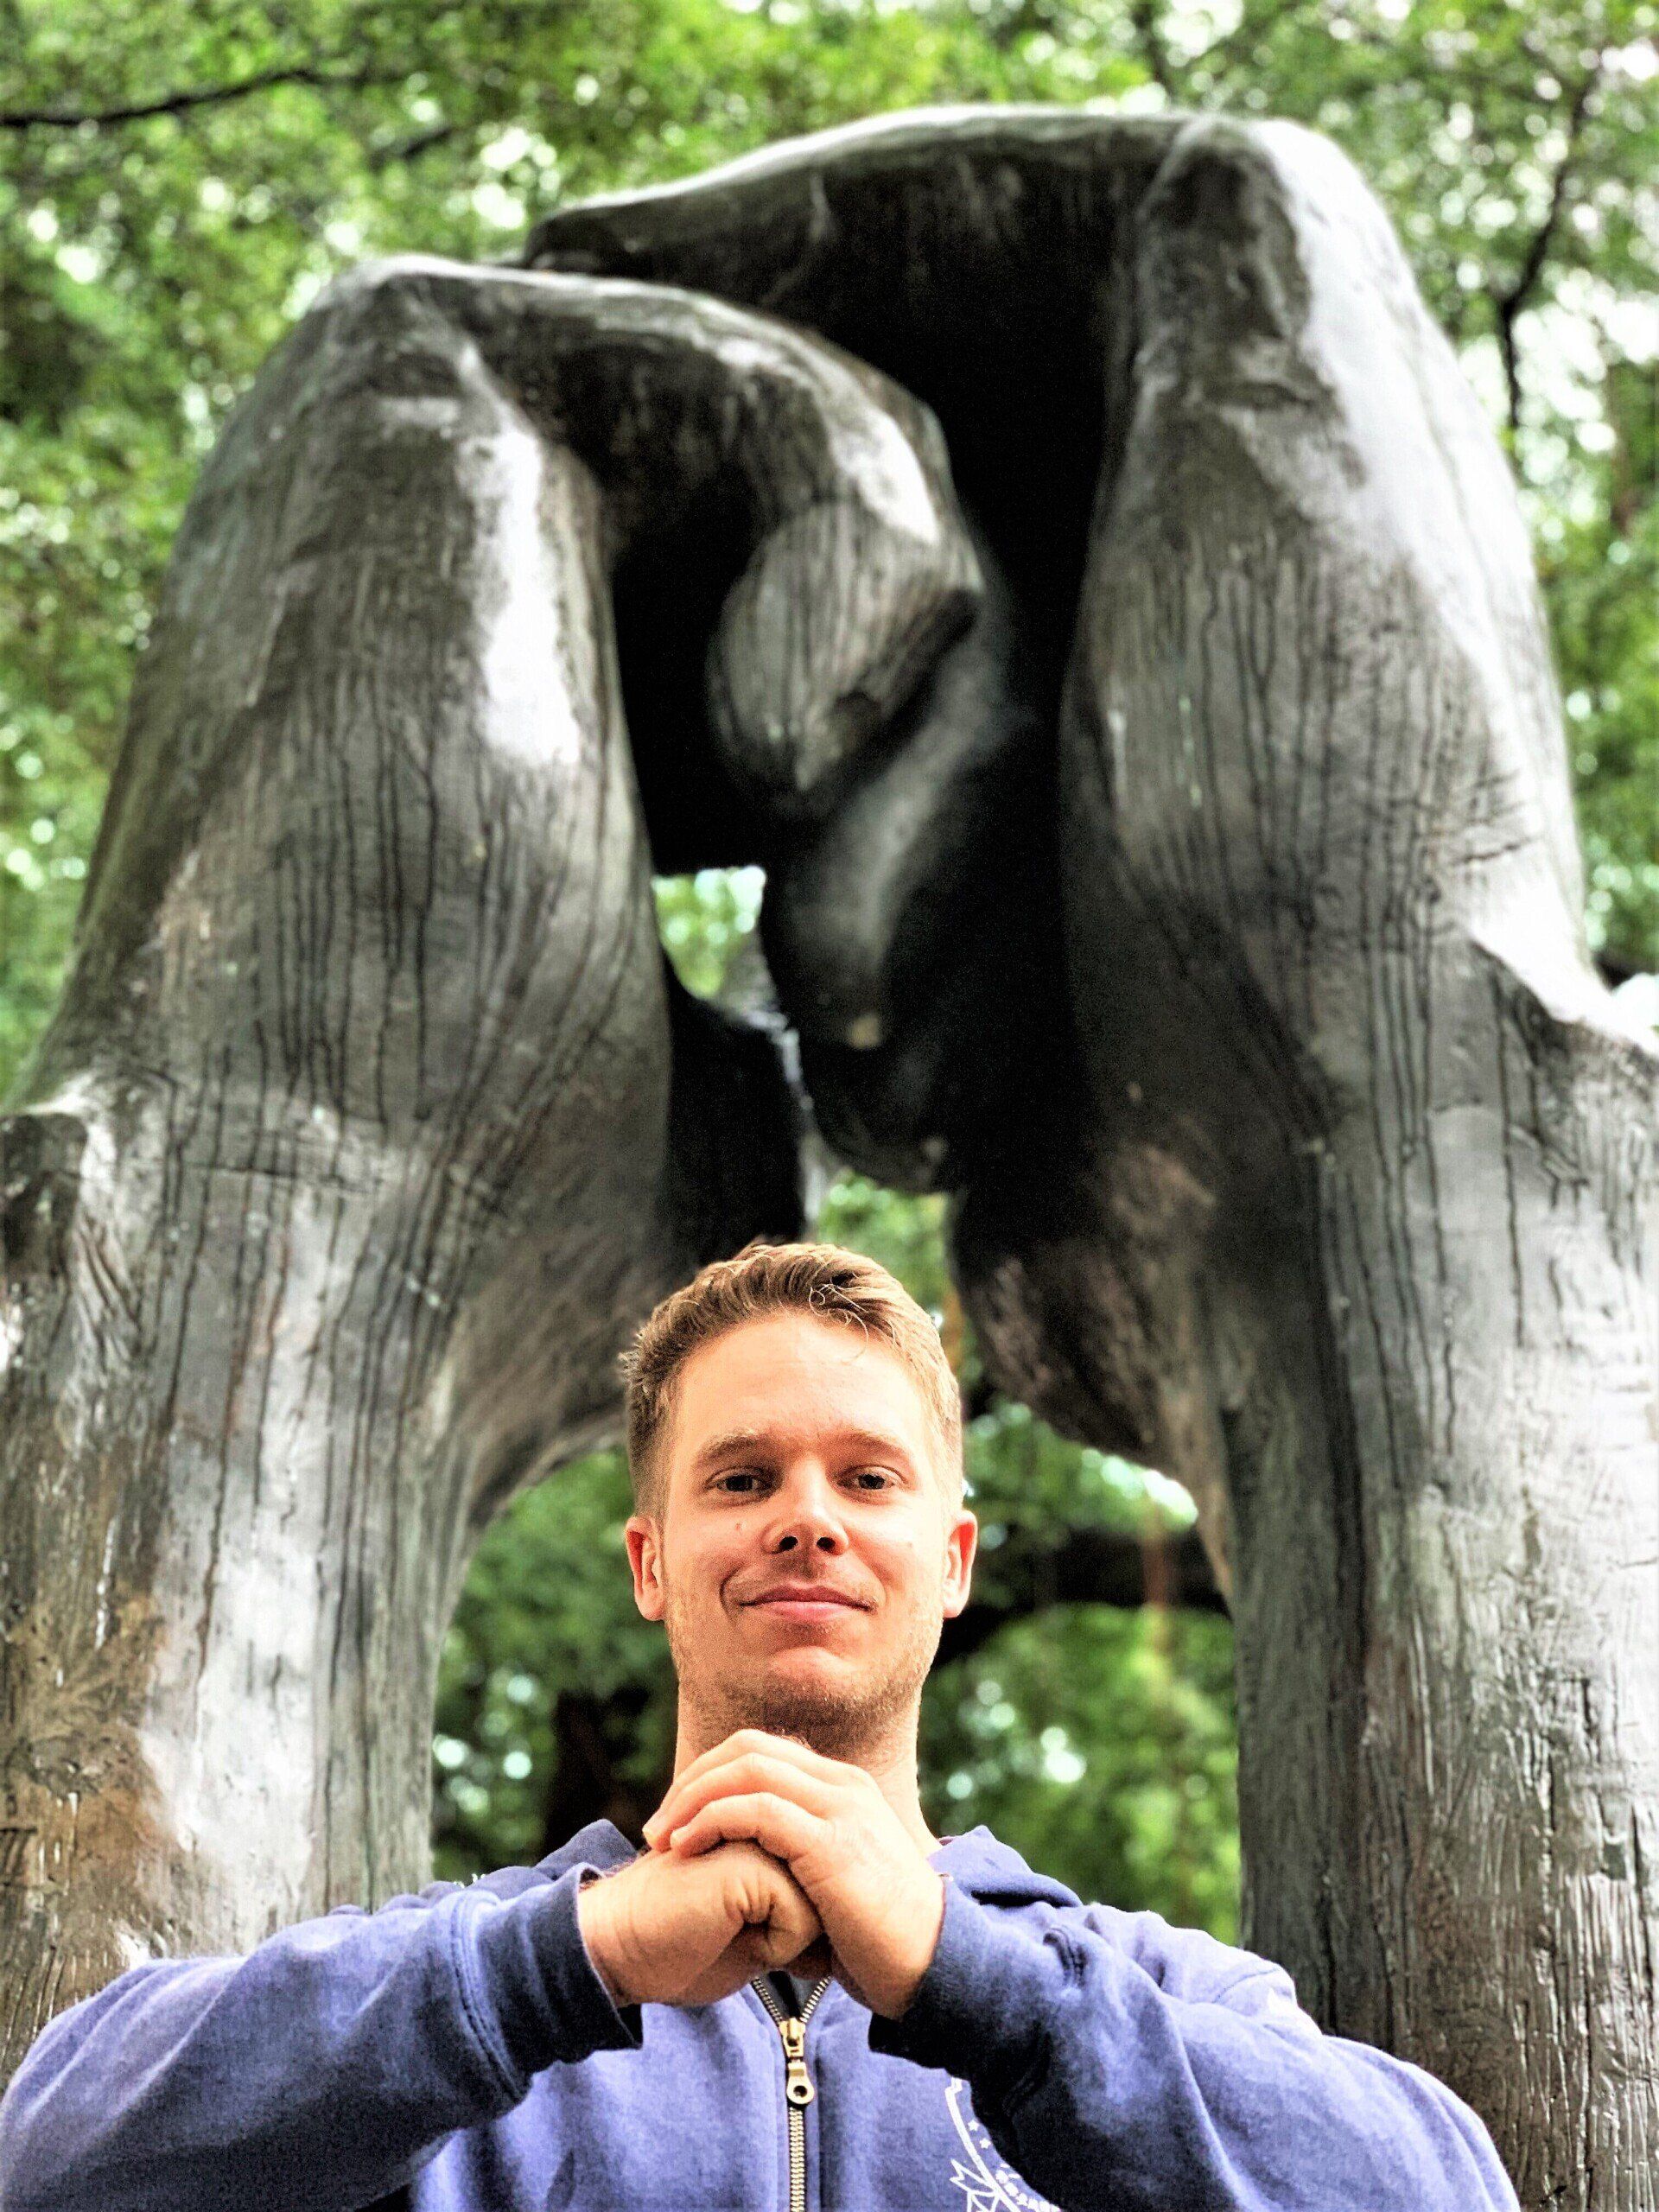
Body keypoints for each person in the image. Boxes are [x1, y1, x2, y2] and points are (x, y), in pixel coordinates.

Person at [0, 1240, 1519, 2212]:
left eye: (869, 1479)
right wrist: (571, 1960)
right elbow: (49, 2159)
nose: (808, 1519)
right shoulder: (449, 1995)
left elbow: (1451, 2191)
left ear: (953, 1562)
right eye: (741, 1479)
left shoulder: (1153, 1991)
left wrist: (975, 1981)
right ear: (652, 1563)